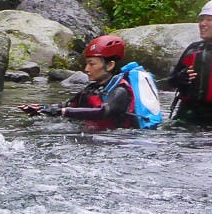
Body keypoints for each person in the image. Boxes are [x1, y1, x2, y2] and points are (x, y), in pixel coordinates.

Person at [18, 35, 162, 130]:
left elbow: (102, 112)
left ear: (110, 65)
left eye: (92, 64)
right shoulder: (93, 88)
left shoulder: (121, 91)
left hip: (122, 142)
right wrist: (43, 109)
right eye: (86, 64)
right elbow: (68, 105)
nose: (86, 69)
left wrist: (61, 112)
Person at [167, 0, 212, 125]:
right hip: (190, 114)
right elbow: (170, 82)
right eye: (201, 19)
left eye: (209, 20)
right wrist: (181, 78)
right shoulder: (193, 49)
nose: (203, 24)